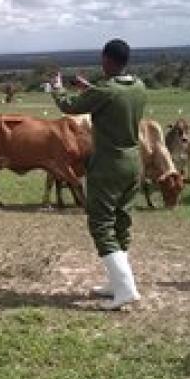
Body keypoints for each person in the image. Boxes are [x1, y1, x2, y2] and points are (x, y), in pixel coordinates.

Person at [50, 39, 147, 310]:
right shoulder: (139, 87)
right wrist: (89, 89)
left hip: (108, 166)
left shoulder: (106, 89)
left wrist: (57, 87)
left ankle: (126, 289)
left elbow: (69, 106)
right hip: (132, 163)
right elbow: (114, 99)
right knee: (121, 221)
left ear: (106, 59)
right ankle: (117, 282)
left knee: (101, 224)